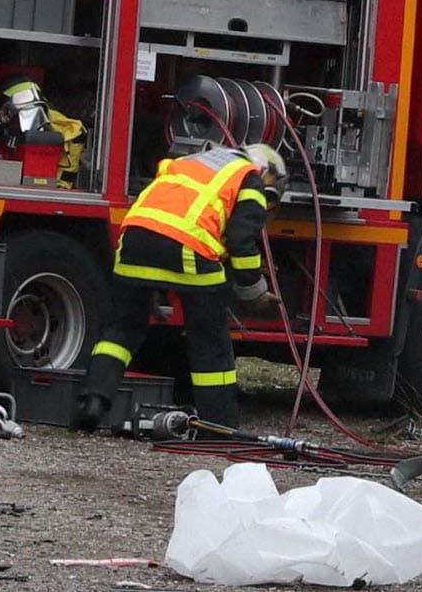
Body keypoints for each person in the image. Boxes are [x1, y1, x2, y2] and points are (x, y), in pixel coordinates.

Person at [73, 143, 289, 431]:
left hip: (133, 245)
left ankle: (92, 402)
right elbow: (241, 242)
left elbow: (165, 216)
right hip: (190, 251)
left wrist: (155, 286)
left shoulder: (186, 163)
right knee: (210, 341)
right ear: (265, 171)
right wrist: (254, 293)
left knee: (122, 329)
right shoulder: (247, 177)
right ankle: (219, 427)